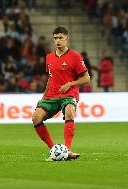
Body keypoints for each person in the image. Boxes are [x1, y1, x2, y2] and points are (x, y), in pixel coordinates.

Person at [32, 26, 90, 161]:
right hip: (51, 95)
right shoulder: (49, 58)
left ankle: (67, 150)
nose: (57, 41)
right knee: (36, 118)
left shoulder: (75, 56)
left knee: (69, 110)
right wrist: (43, 98)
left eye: (60, 38)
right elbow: (50, 78)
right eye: (55, 38)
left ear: (66, 39)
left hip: (69, 94)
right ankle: (54, 150)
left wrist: (70, 84)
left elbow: (87, 78)